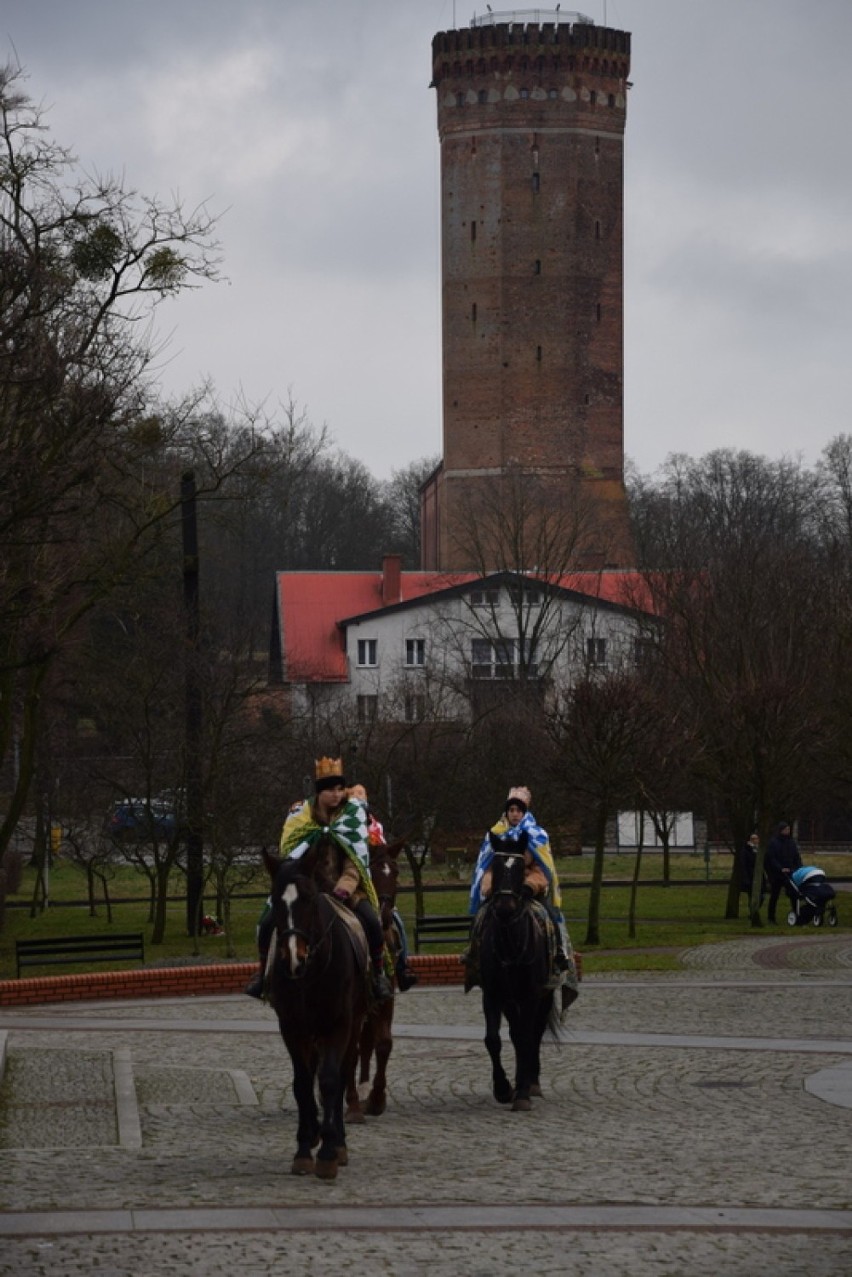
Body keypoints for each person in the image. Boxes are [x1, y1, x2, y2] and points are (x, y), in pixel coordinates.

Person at [245, 756, 393, 1002]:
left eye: (339, 789)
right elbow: (290, 856)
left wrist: (344, 888)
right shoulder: (300, 817)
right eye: (330, 790)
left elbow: (355, 862)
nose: (336, 795)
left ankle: (377, 976)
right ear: (319, 792)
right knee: (269, 921)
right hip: (306, 892)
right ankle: (263, 975)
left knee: (371, 921)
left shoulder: (352, 816)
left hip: (343, 891)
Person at [469, 786, 572, 973]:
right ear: (506, 812)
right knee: (481, 916)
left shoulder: (538, 835)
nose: (515, 814)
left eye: (518, 810)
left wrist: (529, 886)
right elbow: (487, 867)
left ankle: (557, 953)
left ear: (524, 812)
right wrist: (490, 885)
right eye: (511, 810)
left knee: (547, 915)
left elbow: (543, 869)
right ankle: (473, 954)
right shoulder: (495, 834)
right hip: (501, 889)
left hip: (528, 890)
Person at [349, 783, 417, 992]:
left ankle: (402, 967)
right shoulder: (345, 827)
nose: (361, 811)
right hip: (353, 886)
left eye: (363, 806)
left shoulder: (375, 828)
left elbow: (383, 853)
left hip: (375, 886)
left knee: (396, 923)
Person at [764, 820, 802, 923]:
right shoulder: (774, 842)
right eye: (786, 829)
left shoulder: (791, 842)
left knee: (794, 893)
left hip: (790, 873)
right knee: (774, 895)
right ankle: (771, 917)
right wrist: (780, 868)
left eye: (788, 829)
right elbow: (771, 858)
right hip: (777, 874)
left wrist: (798, 867)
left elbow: (796, 856)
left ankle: (796, 914)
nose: (788, 831)